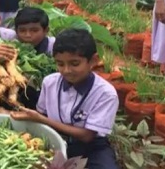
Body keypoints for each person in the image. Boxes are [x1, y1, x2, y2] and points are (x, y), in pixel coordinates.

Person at [11, 29, 119, 169]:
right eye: (60, 64)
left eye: (74, 64)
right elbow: (41, 114)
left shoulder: (105, 93)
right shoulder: (49, 82)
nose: (66, 70)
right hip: (53, 138)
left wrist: (42, 119)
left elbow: (87, 136)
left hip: (90, 147)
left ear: (93, 61)